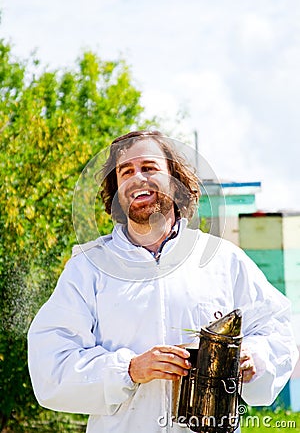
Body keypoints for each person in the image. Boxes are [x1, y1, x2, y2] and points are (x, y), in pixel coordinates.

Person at [28, 130, 298, 433]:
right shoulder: (88, 269)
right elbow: (50, 364)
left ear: (175, 178)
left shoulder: (223, 259)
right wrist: (129, 370)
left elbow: (278, 329)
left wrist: (254, 358)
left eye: (149, 167)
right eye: (125, 171)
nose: (137, 178)